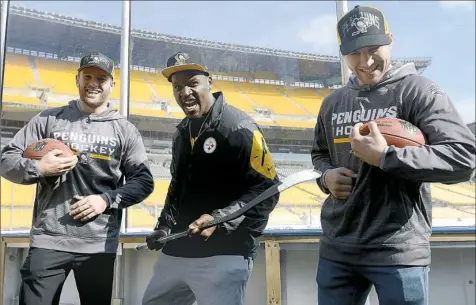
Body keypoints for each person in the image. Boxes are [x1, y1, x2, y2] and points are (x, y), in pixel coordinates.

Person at [311, 5, 475, 305]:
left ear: (390, 39)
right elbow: (320, 153)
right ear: (343, 53)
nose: (366, 61)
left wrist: (387, 156)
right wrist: (326, 177)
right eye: (355, 53)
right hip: (337, 249)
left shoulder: (419, 91)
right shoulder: (332, 102)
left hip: (398, 250)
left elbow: (463, 159)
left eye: (374, 48)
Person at [0, 52, 155, 305]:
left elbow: (144, 181)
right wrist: (39, 167)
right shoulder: (48, 119)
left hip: (98, 245)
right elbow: (6, 160)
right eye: (88, 76)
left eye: (101, 78)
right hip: (48, 240)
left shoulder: (124, 129)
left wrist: (106, 200)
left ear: (111, 85)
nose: (94, 83)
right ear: (77, 79)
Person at [142, 52, 280, 305]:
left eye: (192, 83)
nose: (185, 93)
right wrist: (163, 226)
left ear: (210, 82)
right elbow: (177, 187)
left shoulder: (238, 127)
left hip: (226, 253)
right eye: (177, 87)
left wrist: (220, 219)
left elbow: (268, 190)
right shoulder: (182, 132)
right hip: (178, 250)